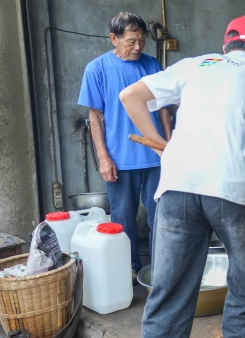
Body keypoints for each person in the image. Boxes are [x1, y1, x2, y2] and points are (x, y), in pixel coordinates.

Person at [119, 16, 245, 338]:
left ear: (225, 46)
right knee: (244, 288)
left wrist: (164, 148)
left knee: (168, 292)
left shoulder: (195, 65)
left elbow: (130, 96)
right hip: (235, 192)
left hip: (177, 187)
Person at [77, 12, 172, 281]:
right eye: (131, 41)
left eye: (142, 41)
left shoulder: (152, 65)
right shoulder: (97, 68)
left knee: (161, 217)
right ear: (114, 39)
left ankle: (160, 271)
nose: (138, 47)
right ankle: (129, 270)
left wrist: (168, 145)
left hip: (155, 156)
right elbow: (94, 117)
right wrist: (103, 157)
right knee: (123, 219)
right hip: (120, 158)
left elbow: (163, 108)